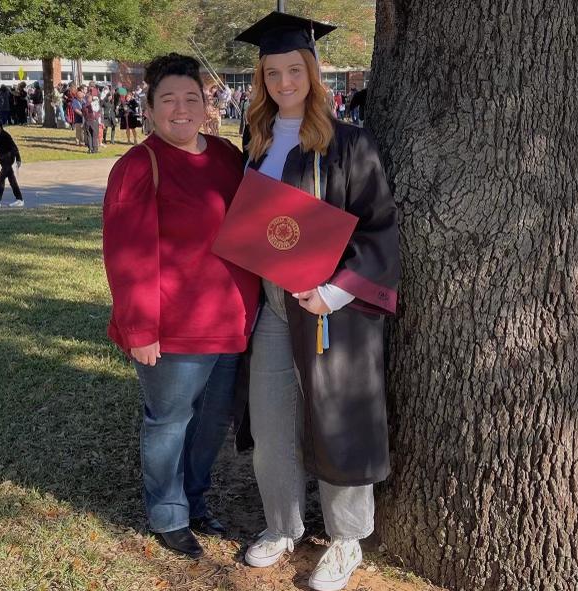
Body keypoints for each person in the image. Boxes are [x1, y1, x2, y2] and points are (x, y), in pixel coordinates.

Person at [234, 13, 400, 591]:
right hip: (272, 308)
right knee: (272, 419)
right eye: (272, 72)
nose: (284, 82)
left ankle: (347, 540)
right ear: (261, 79)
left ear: (312, 70)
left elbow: (379, 229)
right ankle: (282, 527)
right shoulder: (254, 143)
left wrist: (335, 291)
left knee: (337, 416)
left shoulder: (347, 142)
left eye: (294, 69)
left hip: (330, 306)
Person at [102, 53, 260, 560]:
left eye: (192, 97)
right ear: (148, 107)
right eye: (168, 99)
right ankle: (167, 514)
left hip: (230, 322)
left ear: (207, 104)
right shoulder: (137, 166)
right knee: (169, 422)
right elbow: (127, 255)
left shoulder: (225, 157)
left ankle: (194, 500)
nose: (181, 108)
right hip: (172, 329)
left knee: (211, 423)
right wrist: (140, 328)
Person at [0, 118, 24, 208]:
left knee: (0, 180)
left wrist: (18, 159)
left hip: (8, 159)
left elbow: (14, 147)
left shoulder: (5, 136)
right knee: (12, 180)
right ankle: (19, 199)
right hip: (3, 161)